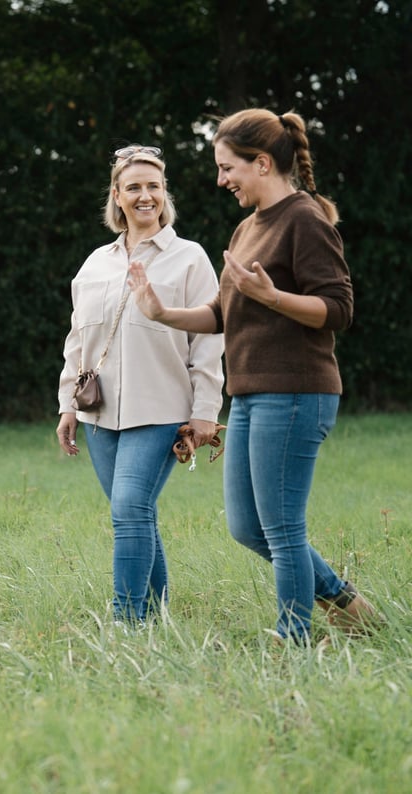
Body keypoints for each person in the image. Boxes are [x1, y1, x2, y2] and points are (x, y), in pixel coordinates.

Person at [128, 109, 377, 643]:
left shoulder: (305, 219)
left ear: (262, 162)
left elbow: (338, 309)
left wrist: (273, 297)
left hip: (296, 391)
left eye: (227, 168)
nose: (221, 181)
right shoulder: (249, 226)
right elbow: (221, 312)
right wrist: (162, 313)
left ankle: (295, 641)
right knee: (246, 526)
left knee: (284, 530)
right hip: (250, 394)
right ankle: (348, 604)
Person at [56, 145, 224, 625]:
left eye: (154, 186)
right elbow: (77, 340)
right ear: (118, 195)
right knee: (136, 515)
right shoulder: (94, 263)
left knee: (129, 508)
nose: (145, 195)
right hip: (99, 414)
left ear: (164, 193)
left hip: (162, 409)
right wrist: (68, 405)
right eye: (134, 187)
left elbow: (211, 338)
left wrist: (206, 409)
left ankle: (126, 623)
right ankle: (157, 616)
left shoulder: (189, 258)